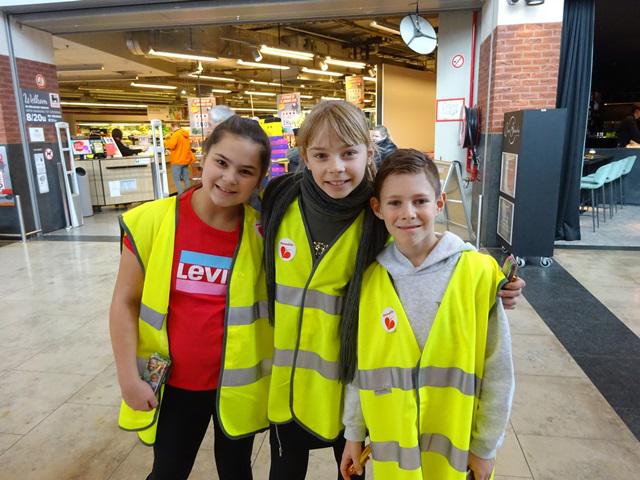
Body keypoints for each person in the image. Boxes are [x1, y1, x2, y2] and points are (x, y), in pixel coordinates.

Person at [261, 101, 524, 480]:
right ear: (305, 156)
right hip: (292, 388)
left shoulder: (378, 220)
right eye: (320, 155)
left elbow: (427, 244)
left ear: (369, 151)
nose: (335, 167)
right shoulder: (280, 199)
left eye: (348, 153)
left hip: (354, 383)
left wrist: (490, 279)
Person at [110, 116, 273, 480]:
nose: (230, 178)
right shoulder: (151, 222)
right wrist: (127, 378)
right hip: (176, 386)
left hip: (236, 386)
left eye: (245, 171)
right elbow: (124, 302)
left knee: (236, 471)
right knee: (169, 471)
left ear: (259, 180)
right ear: (203, 158)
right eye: (221, 163)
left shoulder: (263, 234)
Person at [340, 149, 515, 480]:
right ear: (377, 208)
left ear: (439, 203)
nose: (408, 213)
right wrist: (353, 433)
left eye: (420, 201)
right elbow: (361, 369)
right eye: (394, 203)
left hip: (455, 456)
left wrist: (485, 447)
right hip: (394, 458)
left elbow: (499, 371)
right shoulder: (371, 282)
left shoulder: (477, 273)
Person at [165, 122, 195, 194]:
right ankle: (189, 194)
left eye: (171, 128)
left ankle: (181, 195)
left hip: (177, 160)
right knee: (186, 178)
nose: (171, 129)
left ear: (174, 126)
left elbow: (171, 146)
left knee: (177, 179)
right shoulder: (185, 134)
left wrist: (167, 139)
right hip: (185, 159)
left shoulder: (176, 134)